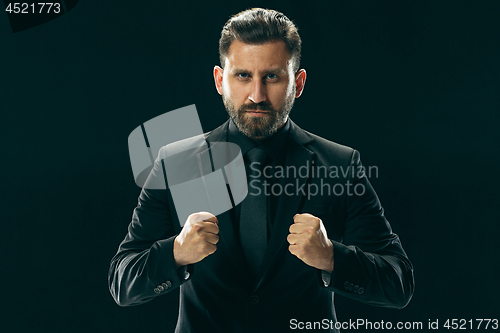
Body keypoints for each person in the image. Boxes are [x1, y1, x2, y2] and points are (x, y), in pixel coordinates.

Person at [108, 8, 414, 333]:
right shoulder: (175, 164)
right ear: (219, 81)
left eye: (271, 76)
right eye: (242, 76)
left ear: (297, 82)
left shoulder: (340, 165)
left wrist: (331, 257)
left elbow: (398, 284)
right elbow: (122, 282)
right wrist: (175, 252)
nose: (256, 95)